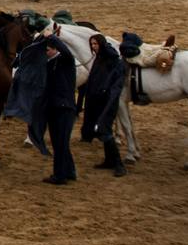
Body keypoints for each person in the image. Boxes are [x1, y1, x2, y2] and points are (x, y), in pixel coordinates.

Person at [81, 33, 127, 176]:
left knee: (105, 132)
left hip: (107, 103)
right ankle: (109, 161)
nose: (94, 47)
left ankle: (119, 164)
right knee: (102, 132)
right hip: (96, 101)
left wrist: (107, 98)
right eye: (92, 44)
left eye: (96, 44)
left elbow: (115, 84)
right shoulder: (99, 59)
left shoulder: (112, 61)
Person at [37, 33, 78, 184]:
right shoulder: (48, 64)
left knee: (60, 142)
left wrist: (52, 38)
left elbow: (66, 51)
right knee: (59, 142)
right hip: (54, 107)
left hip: (64, 108)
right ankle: (70, 171)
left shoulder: (65, 60)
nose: (45, 53)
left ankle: (59, 175)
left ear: (55, 50)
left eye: (48, 50)